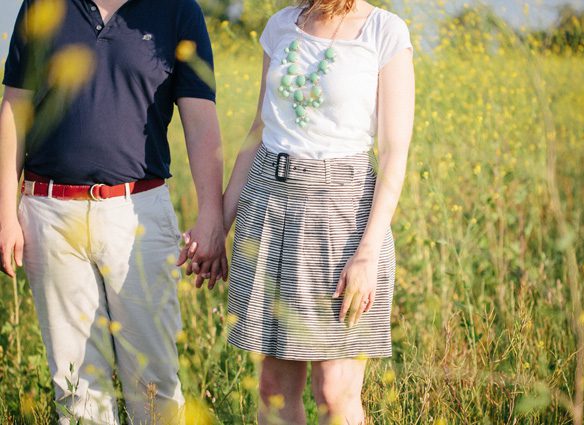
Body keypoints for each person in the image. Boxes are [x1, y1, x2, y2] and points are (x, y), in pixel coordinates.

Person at [0, 0, 227, 423]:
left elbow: (200, 120)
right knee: (76, 388)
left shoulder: (178, 10)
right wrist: (4, 214)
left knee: (155, 382)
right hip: (49, 212)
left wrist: (212, 217)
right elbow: (15, 107)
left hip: (138, 214)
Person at [220, 0, 414, 423]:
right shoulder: (281, 24)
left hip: (345, 216)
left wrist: (367, 252)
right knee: (273, 390)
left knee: (335, 391)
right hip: (268, 207)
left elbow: (394, 152)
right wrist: (220, 222)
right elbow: (259, 129)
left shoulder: (384, 31)